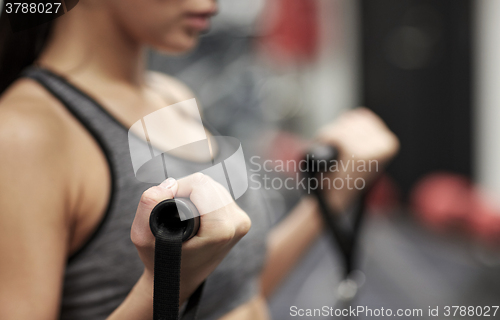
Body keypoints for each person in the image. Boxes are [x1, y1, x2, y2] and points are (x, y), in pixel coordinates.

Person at [0, 0, 399, 319]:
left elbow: (236, 291)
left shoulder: (172, 95)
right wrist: (163, 288)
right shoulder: (25, 133)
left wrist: (332, 196)